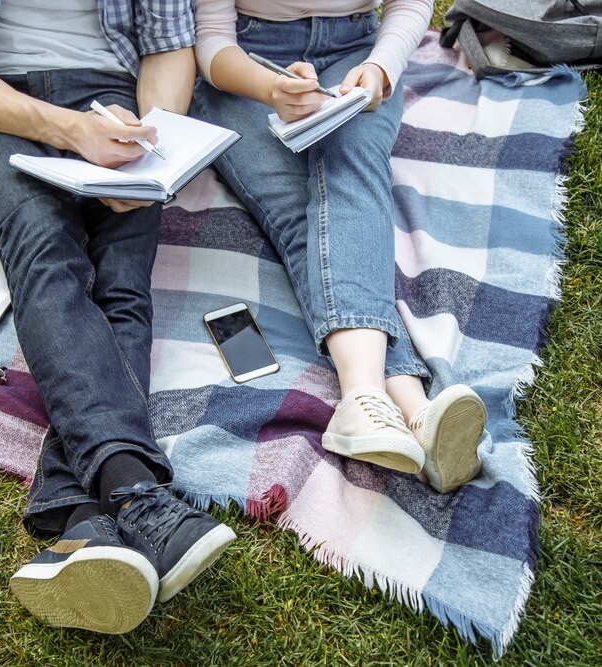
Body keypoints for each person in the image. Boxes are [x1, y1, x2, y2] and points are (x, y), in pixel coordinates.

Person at [0, 0, 235, 634]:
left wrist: (149, 140)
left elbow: (168, 45)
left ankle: (77, 520)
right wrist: (65, 130)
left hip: (116, 101)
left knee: (123, 279)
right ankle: (135, 489)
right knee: (44, 249)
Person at [191, 0, 488, 493]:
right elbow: (211, 39)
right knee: (297, 209)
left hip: (359, 51)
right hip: (244, 67)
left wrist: (379, 68)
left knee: (352, 165)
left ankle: (364, 400)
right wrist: (270, 88)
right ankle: (412, 408)